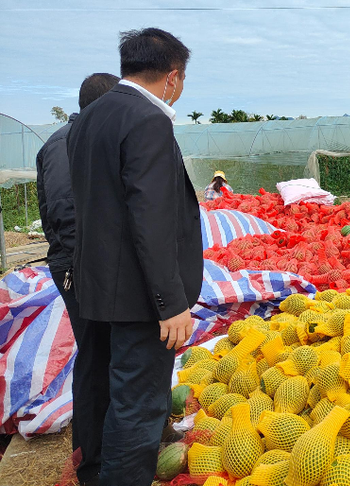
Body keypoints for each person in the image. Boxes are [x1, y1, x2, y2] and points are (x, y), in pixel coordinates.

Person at [67, 28, 204, 486]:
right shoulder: (147, 119)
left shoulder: (89, 118)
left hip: (100, 289)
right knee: (139, 405)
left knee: (107, 391)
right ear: (172, 76)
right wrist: (171, 302)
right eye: (182, 81)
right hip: (140, 297)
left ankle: (98, 474)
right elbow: (152, 218)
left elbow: (99, 207)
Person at [36, 73, 119, 471]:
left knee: (108, 350)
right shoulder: (65, 145)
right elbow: (67, 213)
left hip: (92, 262)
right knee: (94, 354)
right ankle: (92, 455)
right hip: (77, 266)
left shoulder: (87, 138)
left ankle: (109, 440)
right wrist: (90, 271)